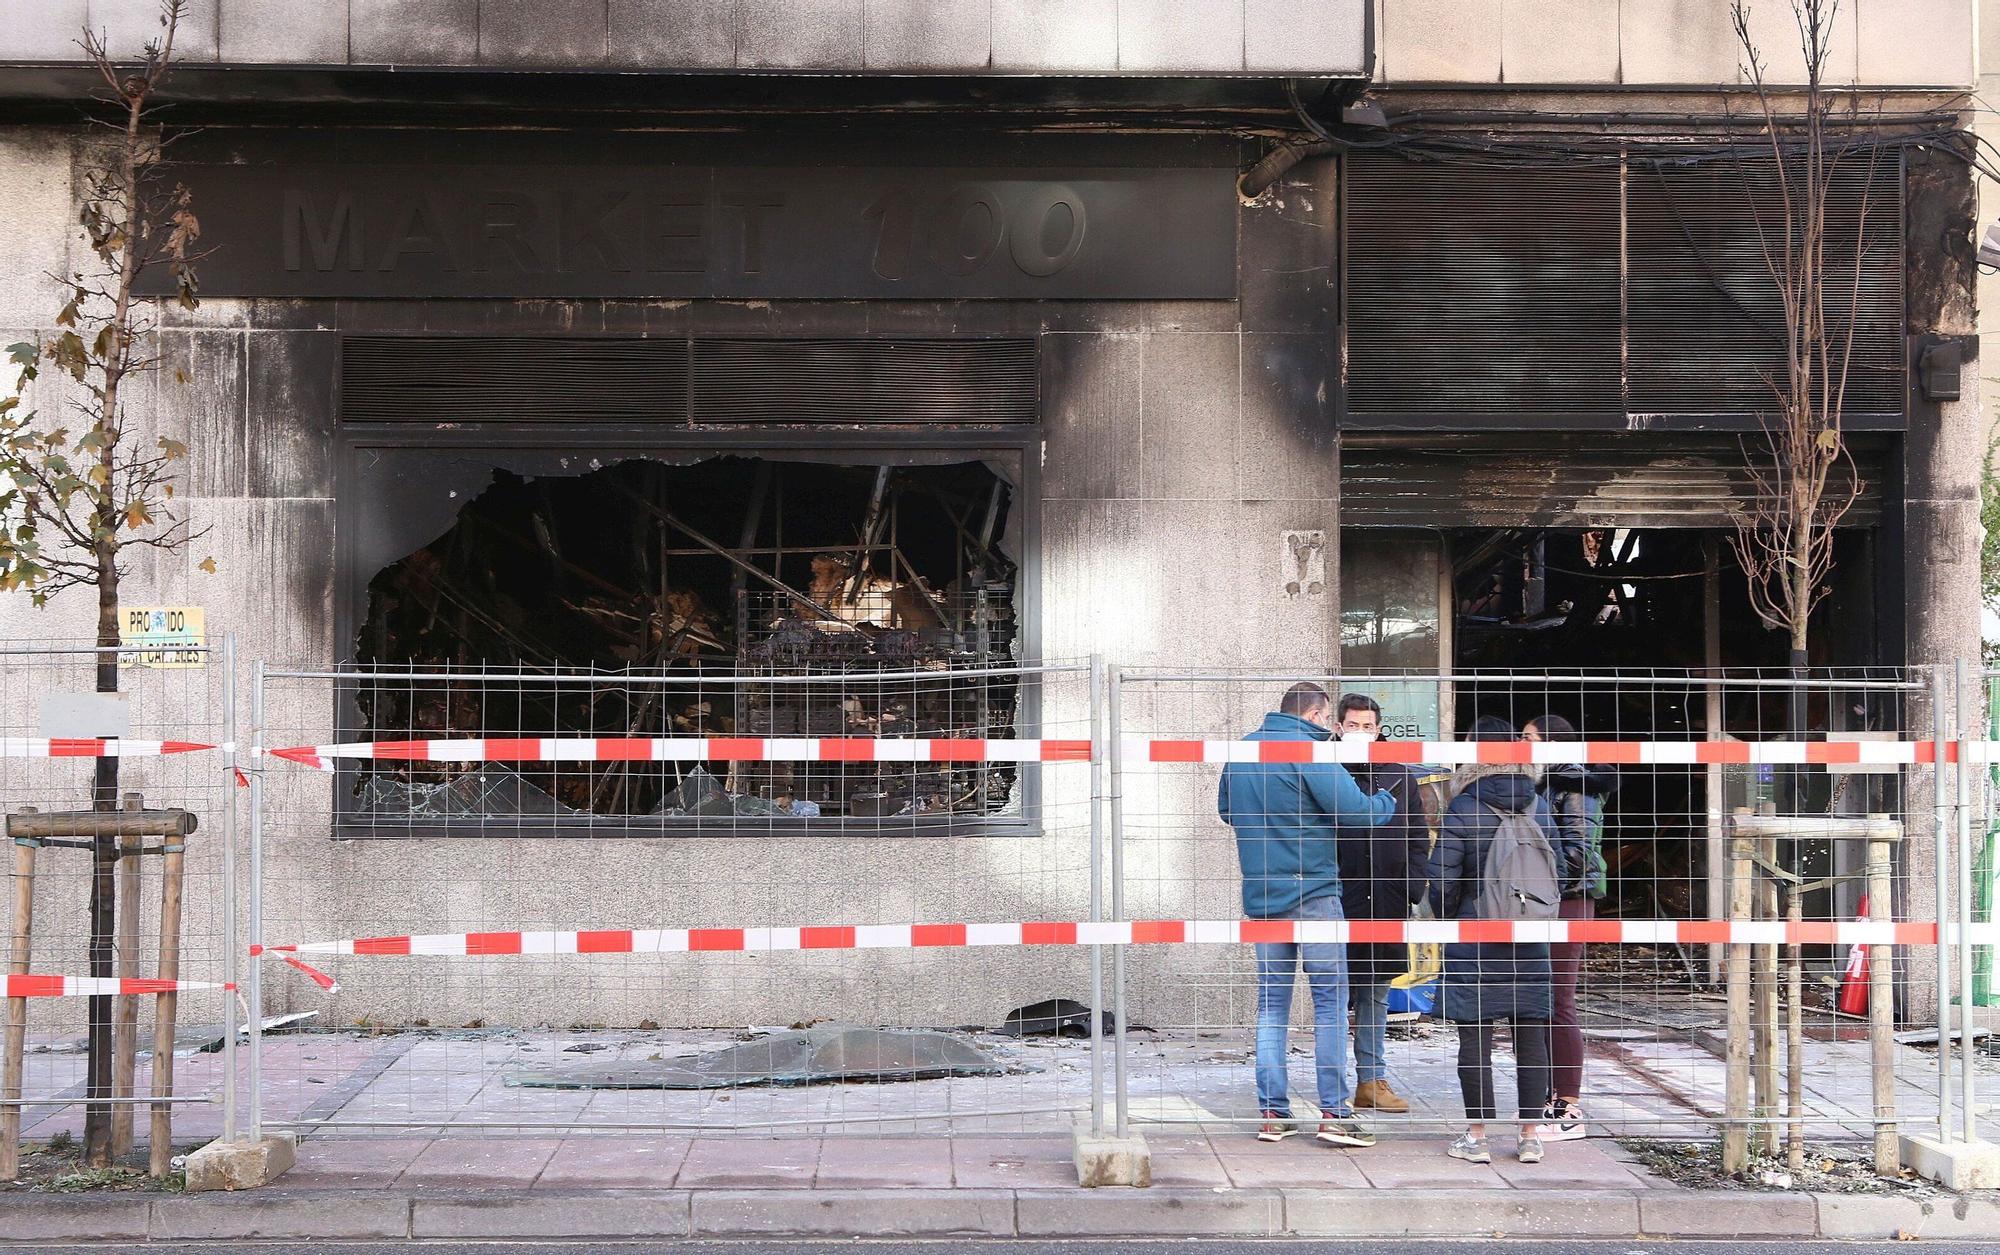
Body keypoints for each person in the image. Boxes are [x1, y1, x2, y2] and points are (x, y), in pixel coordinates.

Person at [1219, 681, 1397, 1147]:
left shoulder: (1240, 751)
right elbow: (1357, 813)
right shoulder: (1309, 749)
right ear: (1318, 716)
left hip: (1262, 897)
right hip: (1316, 893)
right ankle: (1335, 1115)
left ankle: (1274, 1114)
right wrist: (1389, 797)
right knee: (1329, 1006)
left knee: (1273, 1006)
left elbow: (1226, 810)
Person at [1428, 715, 1582, 1166]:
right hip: (1530, 935)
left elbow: (1441, 878)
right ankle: (1530, 1135)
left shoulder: (1463, 806)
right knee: (1530, 1033)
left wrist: (1450, 915)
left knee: (1473, 1036)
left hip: (1475, 932)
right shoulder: (1536, 804)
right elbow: (1561, 867)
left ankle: (1477, 1137)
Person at [1332, 693, 1433, 1115]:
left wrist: (1411, 887)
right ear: (1337, 728)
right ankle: (1333, 1085)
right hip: (1337, 900)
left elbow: (1417, 837)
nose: (1361, 732)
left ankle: (1371, 1080)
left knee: (1375, 992)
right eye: (1353, 725)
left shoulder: (1398, 775)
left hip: (1387, 900)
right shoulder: (1326, 770)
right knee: (1334, 994)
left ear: (1378, 728)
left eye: (1368, 725)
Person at [1525, 713, 1619, 1142]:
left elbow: (1578, 853)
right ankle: (1547, 1099)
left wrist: (1546, 884)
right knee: (1541, 998)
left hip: (1569, 899)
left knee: (1559, 997)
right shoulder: (1548, 784)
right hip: (1552, 898)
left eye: (1529, 739)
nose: (1521, 746)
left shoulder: (1575, 785)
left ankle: (1568, 1107)